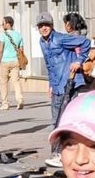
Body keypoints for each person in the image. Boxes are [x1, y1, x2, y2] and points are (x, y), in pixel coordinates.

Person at [36, 11, 91, 168]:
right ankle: (58, 153)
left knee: (66, 120)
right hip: (57, 85)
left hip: (69, 82)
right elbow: (49, 64)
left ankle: (62, 153)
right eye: (41, 26)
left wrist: (79, 61)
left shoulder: (60, 38)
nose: (44, 28)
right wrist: (51, 85)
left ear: (52, 26)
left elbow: (85, 43)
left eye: (46, 25)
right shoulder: (42, 42)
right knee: (56, 121)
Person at [0, 16, 24, 111]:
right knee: (16, 81)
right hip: (15, 61)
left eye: (3, 23)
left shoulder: (3, 35)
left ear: (8, 24)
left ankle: (5, 103)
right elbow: (21, 50)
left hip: (5, 60)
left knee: (3, 83)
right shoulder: (18, 35)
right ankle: (19, 99)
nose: (2, 25)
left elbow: (0, 49)